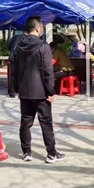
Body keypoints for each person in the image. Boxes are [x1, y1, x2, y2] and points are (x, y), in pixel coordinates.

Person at [14, 16, 66, 163]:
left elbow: (15, 70)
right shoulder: (44, 46)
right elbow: (48, 71)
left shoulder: (18, 46)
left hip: (25, 90)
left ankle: (26, 152)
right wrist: (50, 91)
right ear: (38, 28)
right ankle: (51, 154)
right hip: (41, 91)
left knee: (25, 122)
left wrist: (17, 88)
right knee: (46, 122)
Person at [7, 30, 24, 98]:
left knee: (13, 75)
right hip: (21, 58)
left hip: (13, 57)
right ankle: (20, 90)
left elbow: (8, 45)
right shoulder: (26, 38)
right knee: (21, 74)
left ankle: (12, 92)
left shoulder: (15, 37)